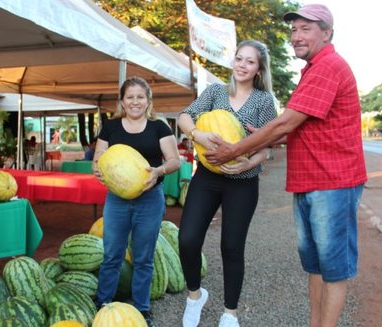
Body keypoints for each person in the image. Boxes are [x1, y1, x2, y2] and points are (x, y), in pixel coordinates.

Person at [205, 5, 367, 327]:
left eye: (306, 29)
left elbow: (284, 124)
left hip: (332, 182)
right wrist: (265, 139)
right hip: (311, 180)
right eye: (294, 30)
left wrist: (235, 149)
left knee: (333, 269)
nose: (296, 36)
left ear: (327, 32)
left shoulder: (328, 66)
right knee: (315, 266)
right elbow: (297, 129)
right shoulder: (312, 69)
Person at [177, 40, 277, 327]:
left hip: (243, 182)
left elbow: (267, 146)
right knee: (187, 239)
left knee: (232, 246)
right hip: (207, 178)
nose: (242, 65)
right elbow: (186, 116)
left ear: (259, 69)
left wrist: (250, 163)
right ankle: (195, 296)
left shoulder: (263, 101)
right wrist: (196, 134)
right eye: (239, 59)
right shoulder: (215, 92)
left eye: (250, 61)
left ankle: (230, 313)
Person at [92, 76, 181, 327]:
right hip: (117, 199)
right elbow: (99, 157)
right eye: (130, 97)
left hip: (150, 198)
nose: (135, 102)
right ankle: (103, 303)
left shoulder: (159, 128)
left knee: (143, 257)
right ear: (122, 100)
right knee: (112, 254)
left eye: (140, 97)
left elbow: (174, 160)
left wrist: (157, 172)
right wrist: (97, 167)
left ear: (148, 100)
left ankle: (141, 308)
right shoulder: (110, 127)